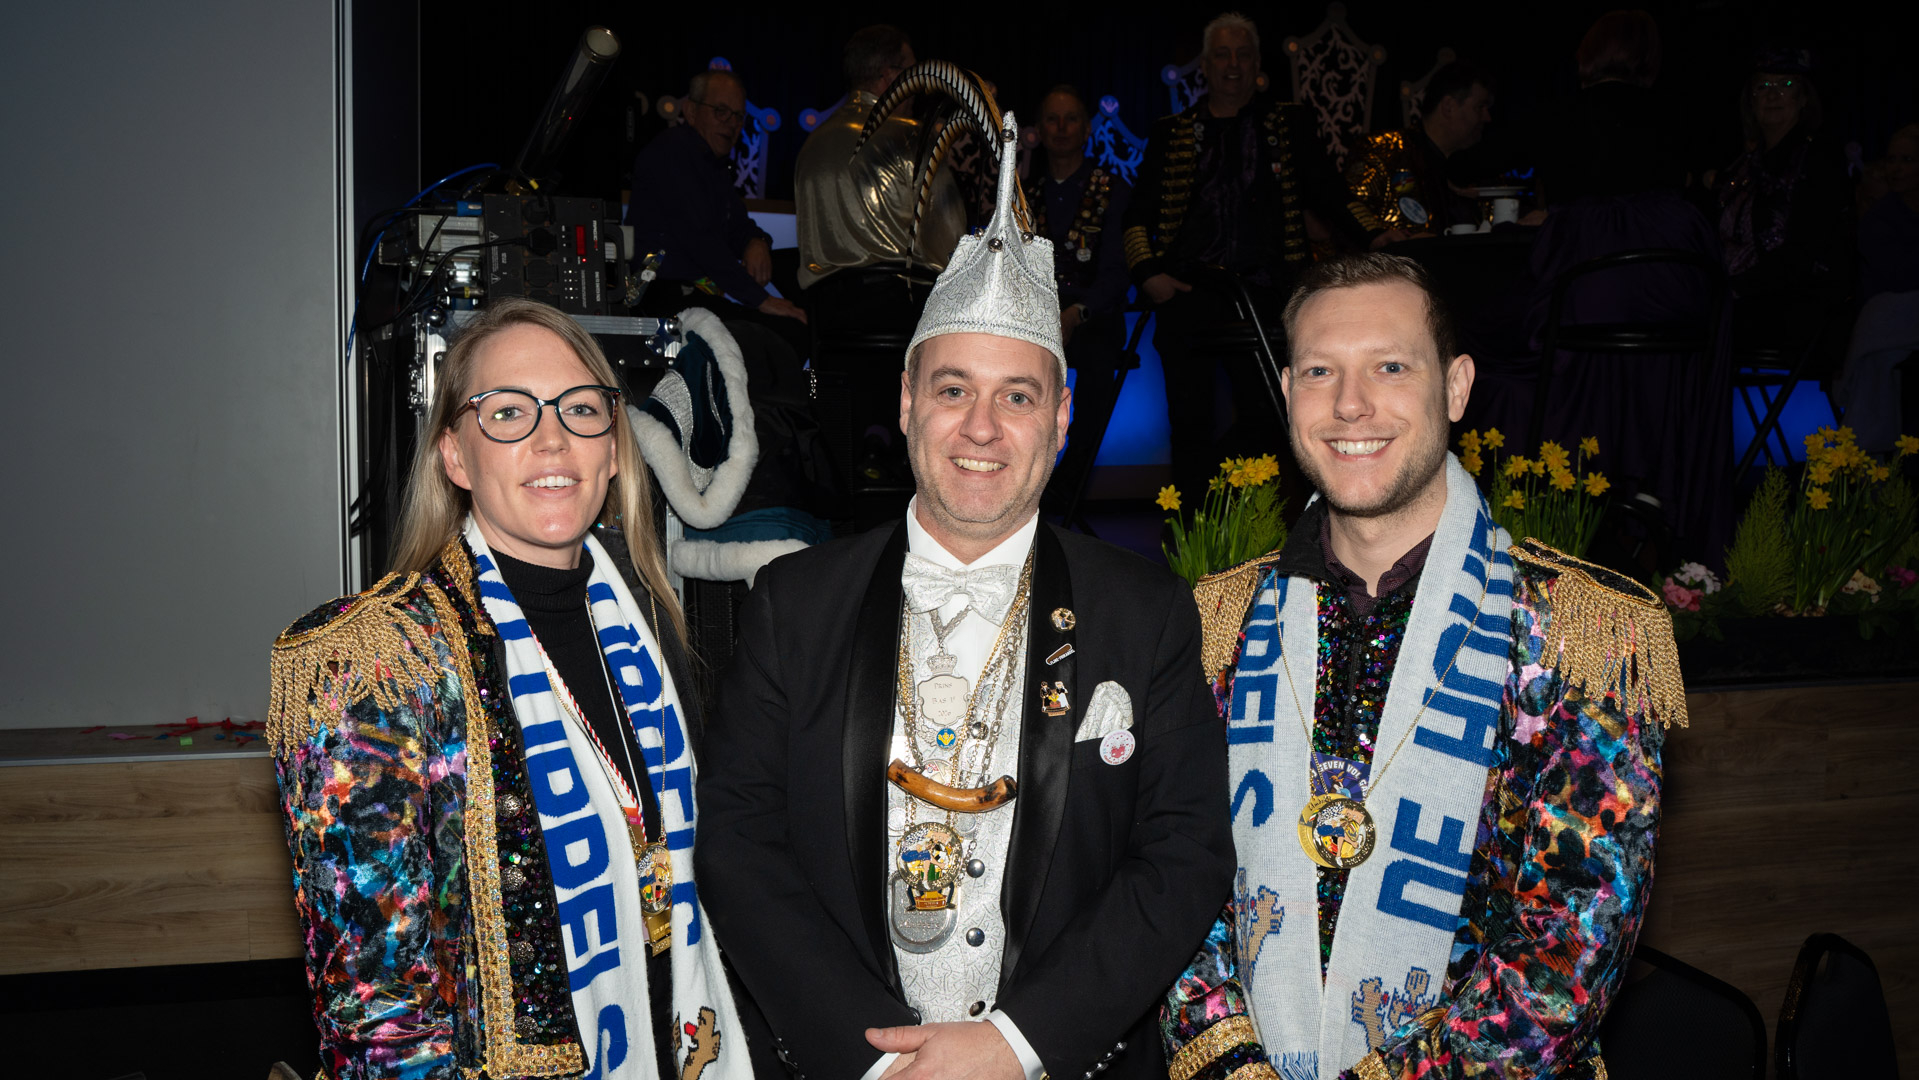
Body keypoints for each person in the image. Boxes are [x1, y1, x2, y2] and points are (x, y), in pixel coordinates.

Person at [698, 112, 1234, 1080]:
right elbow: (739, 848)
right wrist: (875, 1060)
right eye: (952, 390)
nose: (980, 427)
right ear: (907, 402)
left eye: (1016, 396)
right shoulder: (791, 603)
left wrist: (1017, 1046)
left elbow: (1183, 857)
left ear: (1060, 418)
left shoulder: (1146, 611)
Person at [1161, 254, 1682, 1080]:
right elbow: (1172, 879)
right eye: (1320, 371)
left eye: (1390, 367)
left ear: (1456, 386)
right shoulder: (1214, 624)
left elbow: (1563, 960)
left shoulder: (1580, 635)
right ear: (1287, 391)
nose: (1350, 404)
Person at [269, 298, 752, 1080]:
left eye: (579, 409)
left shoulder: (648, 623)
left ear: (613, 450)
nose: (551, 438)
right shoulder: (377, 661)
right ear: (456, 458)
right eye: (507, 413)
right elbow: (375, 1017)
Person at [1124, 11, 1391, 503]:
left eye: (1243, 55)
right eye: (1222, 55)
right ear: (1206, 65)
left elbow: (1332, 195)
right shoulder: (1172, 131)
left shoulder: (1289, 124)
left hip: (1269, 298)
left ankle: (1256, 520)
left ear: (1256, 64)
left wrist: (1377, 235)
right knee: (1189, 422)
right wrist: (1149, 274)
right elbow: (1136, 216)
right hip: (1188, 296)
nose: (1233, 64)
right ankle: (1191, 534)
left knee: (1271, 417)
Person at [795, 25, 968, 476]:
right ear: (892, 75)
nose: (921, 86)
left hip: (830, 319)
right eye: (913, 73)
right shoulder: (912, 139)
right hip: (903, 315)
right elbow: (952, 247)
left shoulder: (814, 142)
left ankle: (855, 465)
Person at [628, 68, 809, 352]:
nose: (732, 124)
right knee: (785, 333)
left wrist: (757, 241)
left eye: (738, 116)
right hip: (659, 298)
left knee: (795, 306)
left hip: (691, 294)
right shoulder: (673, 153)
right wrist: (761, 300)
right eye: (721, 111)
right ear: (691, 111)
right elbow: (701, 240)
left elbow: (736, 224)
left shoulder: (711, 164)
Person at [1024, 84, 1134, 510]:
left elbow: (1117, 273)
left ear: (1088, 129)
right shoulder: (1023, 195)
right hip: (1036, 320)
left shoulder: (1113, 188)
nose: (1061, 127)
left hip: (1093, 317)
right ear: (1038, 130)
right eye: (1052, 119)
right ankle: (1025, 477)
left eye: (1071, 119)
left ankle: (1063, 492)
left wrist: (1075, 313)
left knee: (1098, 361)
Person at [1713, 48, 1853, 352]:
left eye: (1785, 85)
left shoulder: (1819, 159)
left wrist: (1735, 289)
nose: (1772, 95)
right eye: (1762, 86)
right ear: (1750, 100)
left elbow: (1805, 251)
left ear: (1804, 98)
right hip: (1738, 299)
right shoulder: (1739, 166)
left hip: (1793, 305)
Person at [1533, 10, 1688, 206]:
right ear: (1649, 55)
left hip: (1581, 225)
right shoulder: (1666, 113)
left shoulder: (1562, 113)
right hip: (1654, 224)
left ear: (1590, 51)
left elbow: (1553, 191)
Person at [1834, 123, 1919, 451]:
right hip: (1889, 322)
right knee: (1878, 323)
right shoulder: (1879, 220)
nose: (1897, 168)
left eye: (1907, 160)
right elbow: (1897, 278)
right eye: (1892, 159)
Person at [1346, 61, 1495, 232]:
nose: (1487, 117)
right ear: (1449, 107)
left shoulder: (1477, 171)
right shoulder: (1383, 152)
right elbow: (1349, 219)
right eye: (1480, 107)